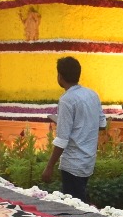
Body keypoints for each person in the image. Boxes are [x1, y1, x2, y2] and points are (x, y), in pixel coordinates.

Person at [41, 55, 107, 200]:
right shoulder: (92, 94)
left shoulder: (67, 100)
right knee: (79, 200)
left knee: (74, 207)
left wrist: (49, 166)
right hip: (88, 160)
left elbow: (62, 139)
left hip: (73, 162)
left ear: (60, 76)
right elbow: (102, 124)